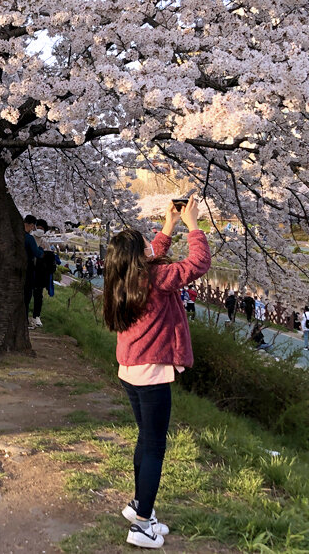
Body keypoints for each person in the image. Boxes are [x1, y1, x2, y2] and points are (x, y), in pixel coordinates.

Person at [105, 197, 210, 550]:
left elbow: (153, 253)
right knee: (154, 447)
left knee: (145, 439)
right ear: (137, 259)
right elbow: (198, 263)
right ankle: (141, 526)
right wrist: (193, 226)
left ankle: (140, 507)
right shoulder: (155, 278)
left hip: (130, 369)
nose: (149, 252)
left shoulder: (122, 279)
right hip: (151, 373)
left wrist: (170, 225)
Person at [23, 215, 44, 327]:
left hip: (15, 269)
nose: (33, 229)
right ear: (31, 225)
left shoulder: (15, 235)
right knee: (26, 295)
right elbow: (37, 253)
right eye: (33, 226)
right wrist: (41, 249)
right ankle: (24, 319)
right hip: (28, 268)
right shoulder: (29, 238)